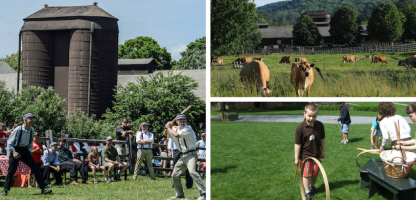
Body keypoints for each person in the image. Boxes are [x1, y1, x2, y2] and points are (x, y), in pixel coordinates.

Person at [3, 113, 52, 196]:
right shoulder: (18, 129)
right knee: (11, 170)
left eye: (33, 118)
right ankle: (5, 190)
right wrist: (14, 152)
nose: (32, 120)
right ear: (25, 120)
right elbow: (9, 142)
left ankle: (43, 188)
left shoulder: (32, 129)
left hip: (25, 151)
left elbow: (29, 143)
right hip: (15, 149)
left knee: (35, 168)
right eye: (30, 119)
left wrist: (29, 152)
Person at [165, 114, 206, 200]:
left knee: (192, 171)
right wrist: (167, 127)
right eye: (180, 121)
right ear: (177, 121)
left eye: (184, 121)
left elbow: (176, 135)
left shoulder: (188, 128)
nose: (182, 122)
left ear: (185, 121)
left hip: (191, 154)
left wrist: (169, 128)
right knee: (174, 175)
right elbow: (166, 134)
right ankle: (180, 194)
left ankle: (204, 193)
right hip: (183, 155)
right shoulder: (175, 128)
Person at [294, 104, 325, 200]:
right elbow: (297, 144)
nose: (311, 118)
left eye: (314, 116)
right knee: (306, 174)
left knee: (315, 173)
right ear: (304, 114)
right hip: (305, 156)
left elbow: (322, 139)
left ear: (317, 115)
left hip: (316, 154)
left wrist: (323, 150)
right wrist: (296, 158)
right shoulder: (300, 128)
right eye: (309, 116)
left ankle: (312, 186)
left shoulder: (319, 125)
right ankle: (307, 192)